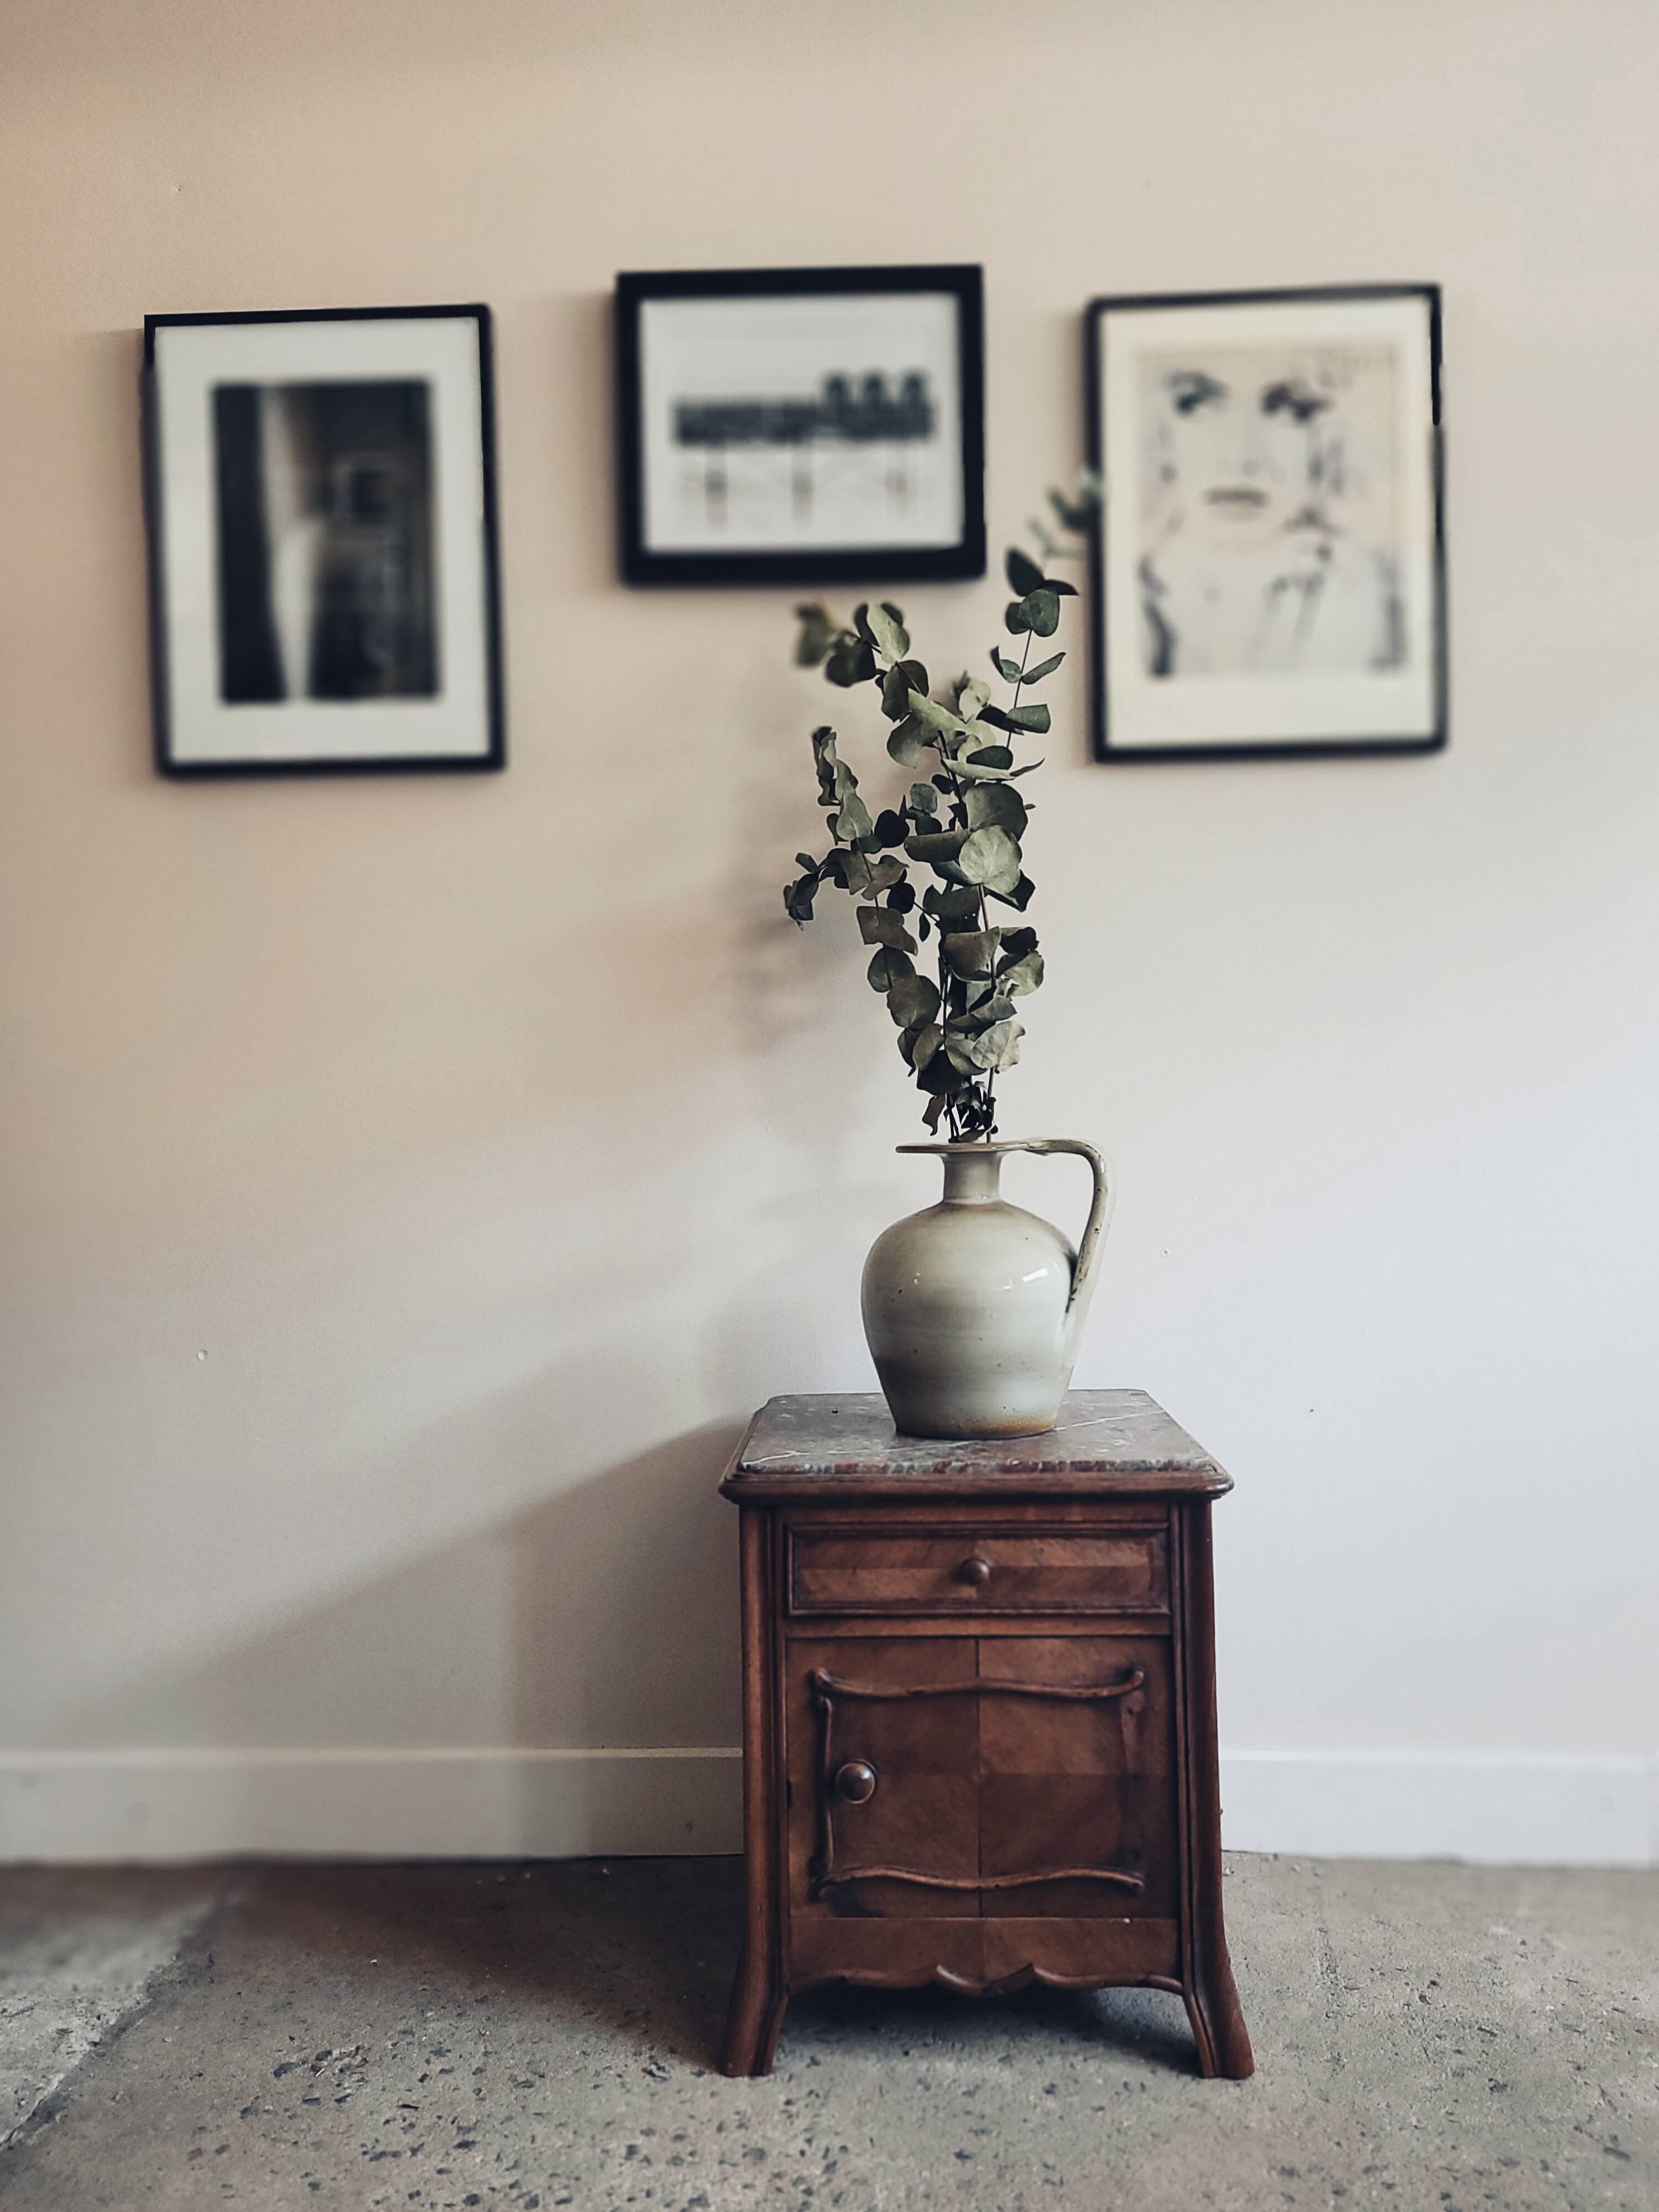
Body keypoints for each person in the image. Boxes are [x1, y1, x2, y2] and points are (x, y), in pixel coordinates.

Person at [1138, 351, 1405, 679]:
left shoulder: (1379, 602)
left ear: (1330, 439)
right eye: (1197, 406)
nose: (1241, 457)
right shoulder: (1126, 597)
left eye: (1289, 411)